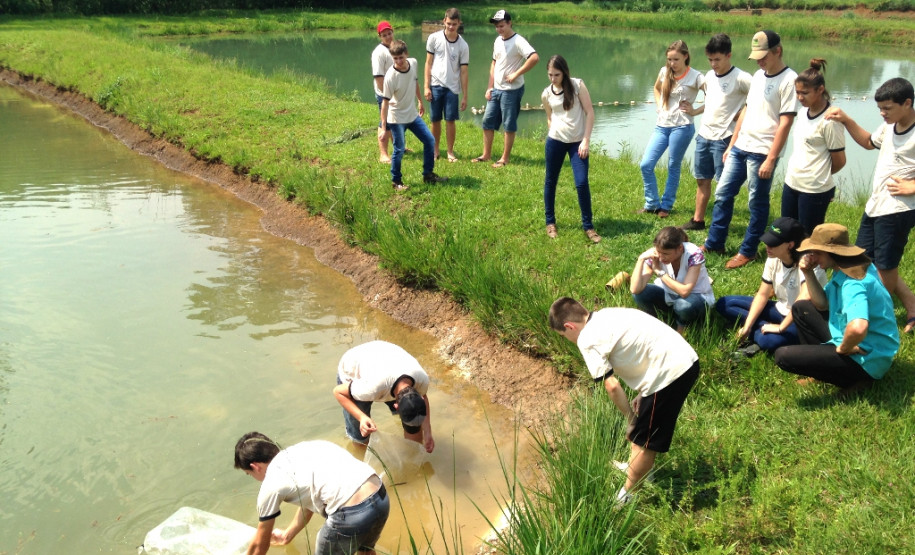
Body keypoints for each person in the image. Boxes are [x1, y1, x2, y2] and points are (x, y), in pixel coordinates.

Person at [548, 297, 700, 506]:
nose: (569, 340)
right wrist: (642, 393)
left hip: (669, 374)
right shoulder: (608, 314)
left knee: (644, 441)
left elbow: (612, 386)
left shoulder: (586, 339)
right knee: (643, 433)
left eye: (564, 336)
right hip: (684, 359)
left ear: (569, 326)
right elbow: (644, 343)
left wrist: (630, 419)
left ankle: (627, 496)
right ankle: (638, 470)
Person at [825, 77, 915, 334]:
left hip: (899, 209)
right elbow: (868, 142)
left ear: (907, 103)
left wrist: (913, 187)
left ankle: (877, 319)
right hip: (877, 204)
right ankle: (910, 304)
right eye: (880, 108)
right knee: (864, 258)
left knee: (886, 265)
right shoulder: (890, 126)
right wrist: (846, 120)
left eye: (887, 108)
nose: (882, 113)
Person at [703, 30, 798, 269]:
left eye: (764, 56)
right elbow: (745, 110)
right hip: (741, 146)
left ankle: (749, 250)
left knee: (756, 202)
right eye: (756, 56)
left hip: (763, 151)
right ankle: (715, 242)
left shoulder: (789, 80)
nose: (759, 61)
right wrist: (732, 144)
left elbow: (786, 122)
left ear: (778, 51)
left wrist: (771, 158)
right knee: (722, 194)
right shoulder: (757, 76)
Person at [774, 224, 899, 392]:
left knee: (783, 356)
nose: (812, 257)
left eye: (817, 252)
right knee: (801, 308)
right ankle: (821, 373)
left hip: (867, 356)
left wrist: (844, 348)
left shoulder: (854, 282)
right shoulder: (851, 265)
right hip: (862, 342)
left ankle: (857, 380)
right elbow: (822, 304)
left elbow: (858, 328)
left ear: (833, 252)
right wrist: (808, 273)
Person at [234, 432, 389, 555]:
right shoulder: (305, 449)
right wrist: (289, 534)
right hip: (380, 496)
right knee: (365, 551)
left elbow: (260, 545)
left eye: (249, 474)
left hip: (351, 514)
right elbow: (312, 500)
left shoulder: (271, 483)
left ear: (255, 467)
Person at [715, 217, 826, 357]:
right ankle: (760, 328)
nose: (767, 247)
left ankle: (766, 333)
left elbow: (802, 301)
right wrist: (747, 326)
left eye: (773, 244)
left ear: (790, 245)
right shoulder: (773, 258)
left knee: (769, 341)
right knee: (725, 304)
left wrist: (780, 328)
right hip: (779, 308)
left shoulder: (809, 264)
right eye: (767, 242)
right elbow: (762, 294)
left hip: (800, 319)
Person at [682, 34, 751, 231]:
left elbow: (759, 99)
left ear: (729, 55)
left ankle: (719, 226)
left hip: (725, 139)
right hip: (704, 135)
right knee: (702, 179)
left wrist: (742, 113)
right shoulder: (710, 77)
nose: (713, 64)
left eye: (717, 60)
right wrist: (695, 111)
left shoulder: (742, 78)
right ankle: (698, 220)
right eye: (710, 60)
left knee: (724, 186)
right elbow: (712, 101)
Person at [638, 40, 705, 218]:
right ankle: (652, 203)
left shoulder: (696, 76)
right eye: (669, 59)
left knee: (673, 165)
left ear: (686, 56)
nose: (672, 63)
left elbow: (714, 97)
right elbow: (656, 88)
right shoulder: (664, 71)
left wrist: (695, 111)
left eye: (676, 59)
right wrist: (660, 105)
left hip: (682, 127)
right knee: (646, 164)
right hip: (662, 125)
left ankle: (666, 206)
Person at [333, 340, 435, 453]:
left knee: (413, 425)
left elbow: (424, 397)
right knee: (361, 436)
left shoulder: (422, 380)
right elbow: (338, 392)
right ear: (396, 406)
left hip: (387, 358)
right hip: (354, 367)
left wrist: (427, 431)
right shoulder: (370, 389)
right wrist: (362, 417)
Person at [781, 59, 846, 234]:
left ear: (820, 90)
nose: (800, 97)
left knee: (808, 238)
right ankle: (788, 262)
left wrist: (819, 173)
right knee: (786, 232)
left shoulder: (830, 121)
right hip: (792, 182)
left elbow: (840, 161)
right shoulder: (802, 113)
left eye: (805, 93)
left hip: (814, 189)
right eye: (797, 92)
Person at [541, 54, 600, 244]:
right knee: (551, 181)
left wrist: (586, 140)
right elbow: (550, 117)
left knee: (581, 183)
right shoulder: (546, 94)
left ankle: (588, 226)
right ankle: (550, 222)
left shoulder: (577, 86)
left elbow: (590, 112)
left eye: (556, 75)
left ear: (564, 73)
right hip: (555, 141)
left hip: (578, 143)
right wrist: (554, 130)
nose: (553, 79)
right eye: (550, 75)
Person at [472, 10, 539, 168]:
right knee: (487, 121)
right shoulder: (497, 41)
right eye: (497, 26)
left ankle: (504, 158)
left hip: (512, 90)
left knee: (508, 124)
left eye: (502, 25)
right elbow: (494, 63)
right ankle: (486, 155)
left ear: (510, 23)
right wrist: (490, 87)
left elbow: (534, 57)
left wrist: (517, 73)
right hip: (496, 89)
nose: (499, 29)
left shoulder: (518, 41)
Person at [380, 40, 447, 191]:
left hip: (412, 114)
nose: (398, 61)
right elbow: (385, 103)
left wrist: (420, 101)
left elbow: (414, 81)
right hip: (397, 118)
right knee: (399, 149)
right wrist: (384, 127)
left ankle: (428, 175)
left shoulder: (414, 63)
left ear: (406, 54)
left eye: (401, 57)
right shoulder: (390, 76)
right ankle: (396, 181)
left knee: (430, 140)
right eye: (395, 58)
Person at [630, 226, 714, 334]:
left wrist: (659, 271)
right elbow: (635, 289)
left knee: (683, 306)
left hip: (696, 298)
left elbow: (684, 291)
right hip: (669, 295)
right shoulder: (656, 253)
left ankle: (682, 326)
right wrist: (640, 259)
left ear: (679, 248)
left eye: (665, 254)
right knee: (640, 295)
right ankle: (661, 319)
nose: (660, 257)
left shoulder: (693, 254)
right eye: (659, 252)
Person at [424, 8, 469, 163]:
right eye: (448, 23)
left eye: (454, 24)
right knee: (435, 120)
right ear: (444, 21)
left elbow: (464, 72)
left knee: (450, 120)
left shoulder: (463, 45)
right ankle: (435, 150)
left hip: (452, 88)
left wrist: (465, 95)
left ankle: (450, 151)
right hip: (435, 85)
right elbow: (428, 64)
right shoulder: (433, 38)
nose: (451, 27)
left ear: (459, 24)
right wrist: (426, 86)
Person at [372, 21, 396, 164]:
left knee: (396, 121)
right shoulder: (378, 53)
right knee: (384, 123)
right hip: (385, 94)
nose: (387, 37)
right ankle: (383, 154)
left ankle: (399, 147)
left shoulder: (396, 47)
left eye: (389, 33)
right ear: (380, 36)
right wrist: (386, 96)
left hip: (396, 92)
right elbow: (378, 77)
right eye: (384, 35)